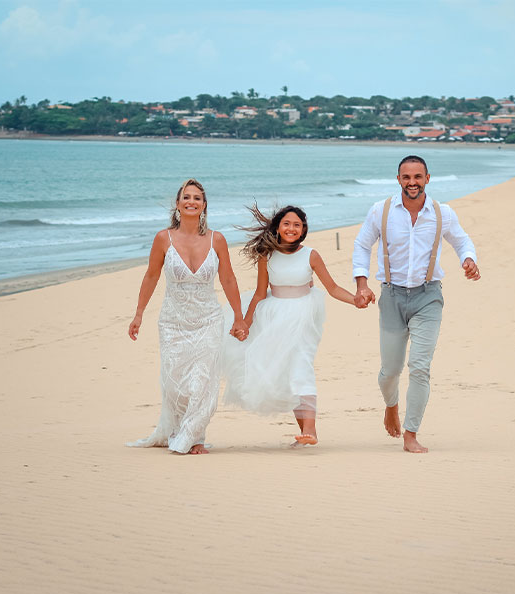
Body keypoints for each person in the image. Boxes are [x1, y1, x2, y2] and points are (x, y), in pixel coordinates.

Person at [352, 155, 481, 453]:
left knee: (420, 368)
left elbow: (461, 241)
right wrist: (361, 282)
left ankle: (411, 434)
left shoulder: (442, 213)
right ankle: (391, 405)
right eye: (406, 177)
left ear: (427, 178)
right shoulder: (380, 211)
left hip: (428, 297)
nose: (412, 182)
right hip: (391, 297)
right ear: (398, 179)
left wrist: (469, 259)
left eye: (418, 177)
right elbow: (361, 244)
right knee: (390, 371)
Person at [222, 205, 361, 446]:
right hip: (274, 316)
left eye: (297, 225)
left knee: (301, 365)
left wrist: (355, 300)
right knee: (285, 372)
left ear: (303, 230)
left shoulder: (311, 255)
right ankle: (305, 433)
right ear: (278, 227)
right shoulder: (267, 255)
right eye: (287, 223)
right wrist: (245, 322)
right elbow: (258, 294)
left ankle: (311, 430)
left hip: (304, 314)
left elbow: (333, 288)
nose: (291, 228)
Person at [126, 178, 247, 455]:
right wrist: (139, 314)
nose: (191, 202)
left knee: (202, 381)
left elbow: (228, 278)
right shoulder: (162, 238)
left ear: (204, 206)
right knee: (174, 383)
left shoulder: (217, 239)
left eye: (197, 198)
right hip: (173, 322)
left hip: (208, 320)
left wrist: (239, 317)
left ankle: (194, 437)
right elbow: (151, 276)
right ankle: (177, 431)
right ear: (178, 204)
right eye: (186, 197)